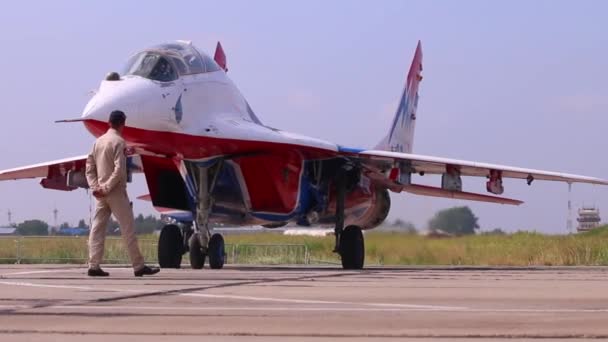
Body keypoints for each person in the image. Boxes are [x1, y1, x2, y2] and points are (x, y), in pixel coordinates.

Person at [85, 110, 160, 277]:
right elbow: (120, 170)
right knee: (128, 229)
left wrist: (95, 187)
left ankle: (93, 265)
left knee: (97, 229)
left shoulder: (98, 142)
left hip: (100, 194)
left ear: (109, 122)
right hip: (115, 193)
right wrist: (107, 187)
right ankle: (138, 266)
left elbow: (89, 168)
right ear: (122, 123)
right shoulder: (119, 142)